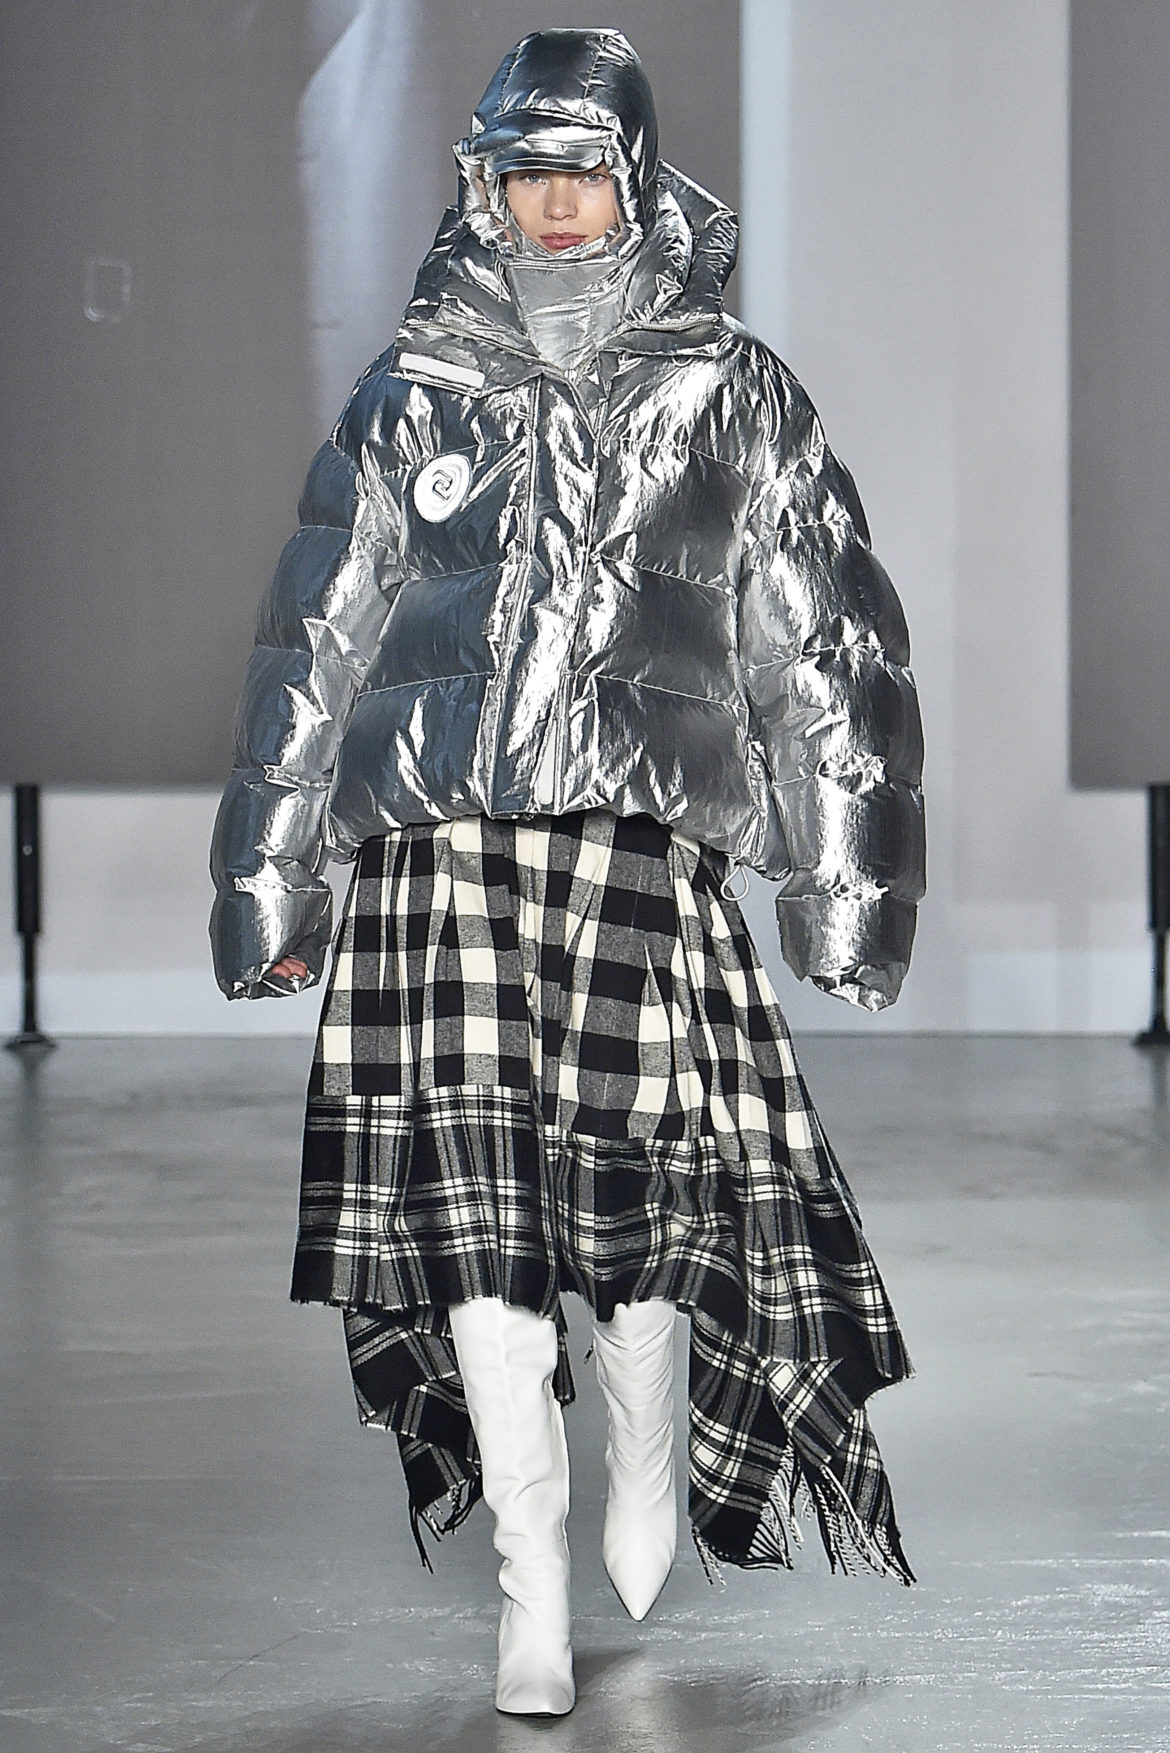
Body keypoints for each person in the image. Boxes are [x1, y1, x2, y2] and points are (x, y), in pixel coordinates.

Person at [210, 27, 925, 1720]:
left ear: (633, 179)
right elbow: (317, 635)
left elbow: (821, 642)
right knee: (477, 1223)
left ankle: (649, 1442)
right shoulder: (410, 389)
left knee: (639, 1208)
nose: (550, 203)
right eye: (522, 173)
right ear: (484, 186)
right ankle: (528, 1577)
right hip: (438, 859)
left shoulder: (726, 390)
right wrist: (271, 877)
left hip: (631, 855)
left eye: (578, 172)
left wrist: (845, 888)